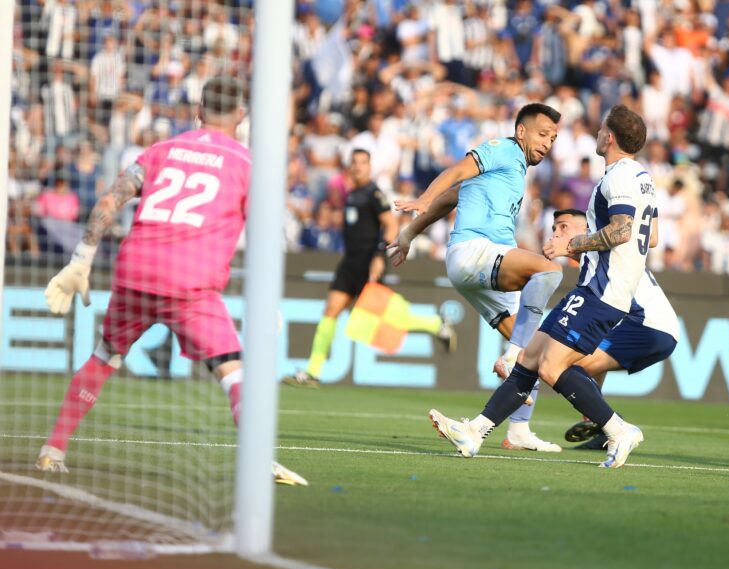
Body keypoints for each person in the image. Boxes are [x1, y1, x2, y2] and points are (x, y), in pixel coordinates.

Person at [36, 77, 307, 487]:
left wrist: (82, 259)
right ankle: (257, 460)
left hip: (135, 271)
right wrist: (267, 301)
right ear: (241, 115)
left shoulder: (161, 150)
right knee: (233, 370)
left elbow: (110, 200)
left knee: (104, 356)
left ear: (198, 111)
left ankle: (52, 450)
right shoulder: (248, 165)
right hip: (190, 281)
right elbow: (266, 235)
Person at [425, 104, 655, 468]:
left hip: (603, 291)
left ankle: (617, 428)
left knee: (550, 367)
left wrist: (571, 245)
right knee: (530, 358)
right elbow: (651, 236)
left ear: (609, 137)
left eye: (600, 129)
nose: (595, 133)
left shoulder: (617, 178)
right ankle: (476, 432)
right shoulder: (642, 178)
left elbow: (624, 230)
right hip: (601, 288)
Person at [390, 103, 565, 451]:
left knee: (534, 349)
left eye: (554, 138)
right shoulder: (502, 149)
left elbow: (453, 197)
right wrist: (423, 198)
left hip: (472, 262)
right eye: (543, 134)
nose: (548, 143)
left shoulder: (510, 171)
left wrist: (409, 234)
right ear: (521, 132)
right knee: (549, 271)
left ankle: (510, 432)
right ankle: (511, 357)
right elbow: (457, 170)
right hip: (476, 252)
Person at [282, 148, 455, 388]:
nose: (358, 167)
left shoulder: (374, 194)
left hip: (369, 264)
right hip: (350, 263)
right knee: (331, 310)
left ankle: (435, 324)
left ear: (369, 166)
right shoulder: (351, 194)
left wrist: (378, 255)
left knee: (386, 318)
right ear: (349, 166)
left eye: (363, 162)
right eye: (354, 162)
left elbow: (390, 224)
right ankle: (313, 371)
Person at [544, 208, 680, 451]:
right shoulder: (605, 257)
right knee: (582, 353)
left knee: (563, 364)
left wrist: (566, 248)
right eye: (554, 229)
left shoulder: (599, 255)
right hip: (657, 328)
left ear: (587, 231)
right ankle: (605, 428)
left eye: (563, 227)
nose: (556, 234)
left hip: (647, 326)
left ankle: (612, 424)